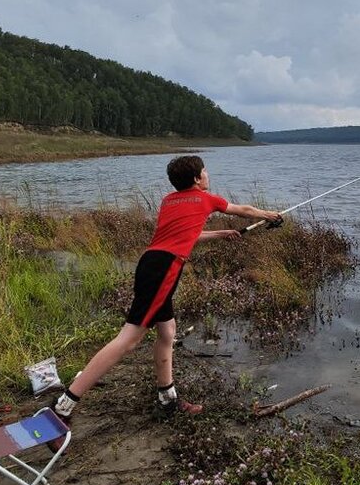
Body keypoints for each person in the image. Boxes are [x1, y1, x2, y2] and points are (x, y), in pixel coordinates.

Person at [52, 155, 281, 422]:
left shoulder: (169, 201)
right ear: (196, 179)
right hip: (165, 268)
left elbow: (182, 235)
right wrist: (269, 215)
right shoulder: (208, 199)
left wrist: (219, 234)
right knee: (129, 339)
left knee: (167, 331)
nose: (207, 175)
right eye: (205, 171)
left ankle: (167, 398)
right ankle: (65, 405)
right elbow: (243, 210)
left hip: (149, 263)